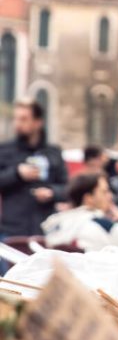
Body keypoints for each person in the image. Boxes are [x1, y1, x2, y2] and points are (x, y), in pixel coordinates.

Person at [0, 99, 68, 237]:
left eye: (24, 119)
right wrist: (17, 174)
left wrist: (52, 192)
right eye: (16, 119)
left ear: (38, 122)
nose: (17, 124)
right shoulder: (5, 150)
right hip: (12, 231)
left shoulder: (53, 152)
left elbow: (67, 188)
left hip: (46, 230)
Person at [42, 173, 118, 252]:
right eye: (104, 191)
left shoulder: (54, 223)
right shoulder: (103, 225)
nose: (110, 196)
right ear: (89, 198)